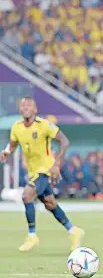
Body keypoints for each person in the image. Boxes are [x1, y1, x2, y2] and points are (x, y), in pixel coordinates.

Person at [0, 97, 85, 252]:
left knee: (26, 195)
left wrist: (57, 164)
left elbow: (64, 141)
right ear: (20, 109)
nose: (25, 107)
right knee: (50, 204)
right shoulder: (17, 127)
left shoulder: (44, 125)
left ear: (35, 110)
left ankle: (32, 236)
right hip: (33, 173)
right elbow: (13, 145)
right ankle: (74, 231)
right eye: (23, 105)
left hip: (45, 171)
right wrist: (6, 152)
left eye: (29, 105)